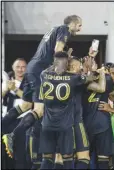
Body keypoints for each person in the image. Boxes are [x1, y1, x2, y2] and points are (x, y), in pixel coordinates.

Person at [2, 15, 82, 164]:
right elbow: (57, 51)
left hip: (32, 67)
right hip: (39, 71)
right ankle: (12, 135)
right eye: (79, 25)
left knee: (26, 105)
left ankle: (2, 125)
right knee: (39, 110)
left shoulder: (54, 29)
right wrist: (62, 65)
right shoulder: (64, 30)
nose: (80, 28)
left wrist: (66, 56)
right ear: (73, 23)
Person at [38, 51, 95, 169]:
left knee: (51, 158)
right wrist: (90, 69)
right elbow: (94, 82)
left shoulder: (44, 74)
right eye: (78, 65)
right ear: (71, 66)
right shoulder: (74, 78)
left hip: (49, 123)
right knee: (76, 157)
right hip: (69, 124)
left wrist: (59, 62)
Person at [82, 59, 114, 169]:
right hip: (93, 124)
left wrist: (110, 107)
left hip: (92, 124)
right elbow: (111, 95)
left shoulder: (80, 79)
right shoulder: (82, 80)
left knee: (89, 159)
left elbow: (112, 97)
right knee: (88, 159)